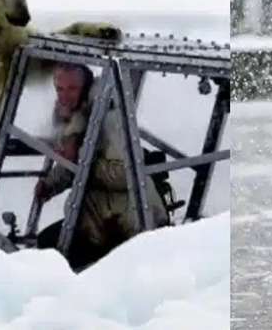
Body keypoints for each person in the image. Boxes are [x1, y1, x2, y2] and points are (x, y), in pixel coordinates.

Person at [35, 62, 170, 270]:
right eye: (59, 89)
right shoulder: (77, 116)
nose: (64, 96)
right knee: (46, 245)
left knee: (58, 260)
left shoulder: (110, 119)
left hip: (131, 224)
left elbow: (124, 175)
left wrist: (81, 160)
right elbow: (73, 162)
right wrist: (50, 184)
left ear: (86, 88)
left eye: (72, 89)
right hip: (99, 219)